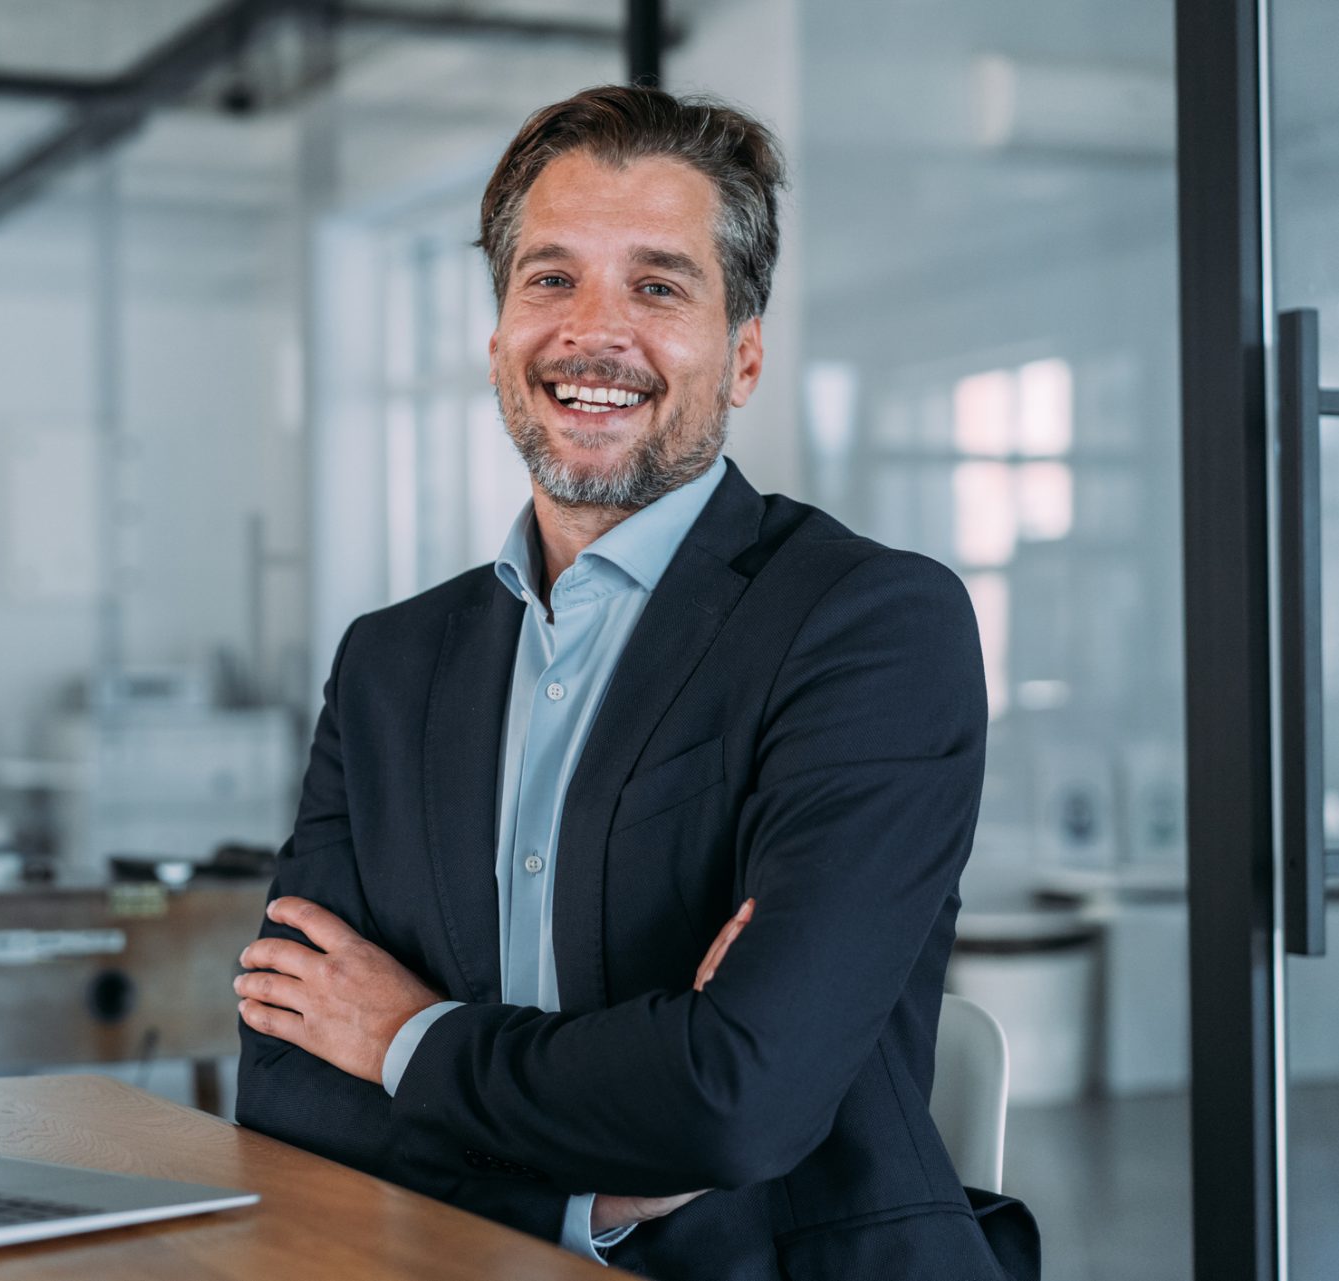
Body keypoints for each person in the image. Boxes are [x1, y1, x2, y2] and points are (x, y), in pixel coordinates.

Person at [232, 86, 1039, 1280]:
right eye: (550, 280)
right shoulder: (391, 663)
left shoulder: (870, 626)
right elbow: (288, 1077)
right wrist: (599, 1163)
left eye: (657, 287)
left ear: (744, 355)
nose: (591, 333)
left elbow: (734, 1102)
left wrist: (401, 1035)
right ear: (498, 335)